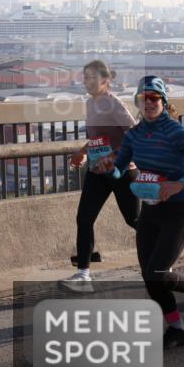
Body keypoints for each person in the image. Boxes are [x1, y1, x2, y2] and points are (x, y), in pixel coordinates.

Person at [93, 76, 184, 349]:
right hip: (150, 211)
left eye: (154, 98)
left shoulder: (175, 132)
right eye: (143, 98)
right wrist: (107, 168)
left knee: (158, 273)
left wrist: (180, 183)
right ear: (138, 102)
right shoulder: (134, 135)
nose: (148, 103)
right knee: (149, 277)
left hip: (177, 210)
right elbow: (121, 169)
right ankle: (177, 330)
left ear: (163, 101)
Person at [59, 60, 140, 292]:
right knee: (84, 218)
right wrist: (82, 152)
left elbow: (134, 135)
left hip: (122, 171)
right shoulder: (90, 104)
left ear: (105, 80)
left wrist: (115, 157)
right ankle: (83, 275)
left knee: (134, 220)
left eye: (92, 78)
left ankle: (161, 261)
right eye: (85, 78)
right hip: (97, 171)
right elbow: (98, 138)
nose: (87, 82)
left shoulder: (114, 105)